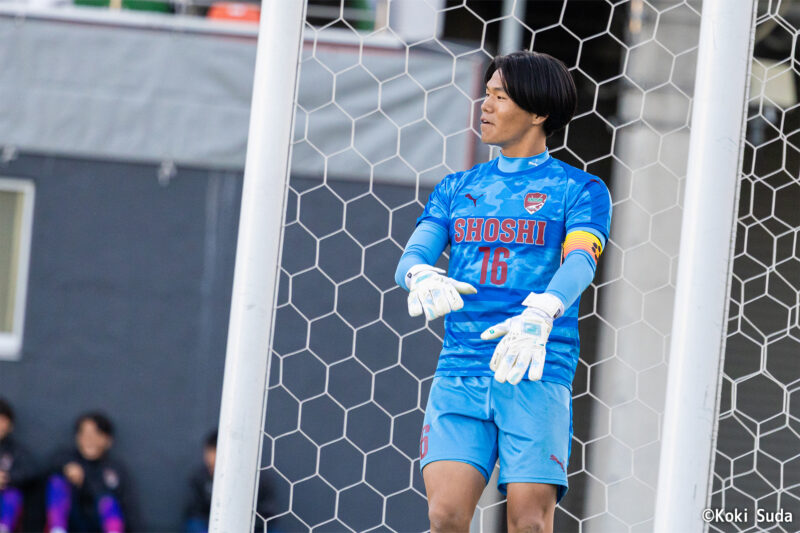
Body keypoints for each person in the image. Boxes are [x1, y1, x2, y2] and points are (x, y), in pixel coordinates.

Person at [395, 51, 612, 533]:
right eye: (487, 93)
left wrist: (544, 311)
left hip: (535, 365)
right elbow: (411, 258)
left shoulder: (580, 189)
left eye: (501, 97)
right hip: (461, 368)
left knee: (529, 522)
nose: (486, 105)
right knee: (445, 516)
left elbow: (581, 259)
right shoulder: (456, 188)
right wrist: (420, 276)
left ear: (539, 112)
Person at [45, 412, 133, 533]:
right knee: (57, 482)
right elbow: (47, 468)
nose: (90, 440)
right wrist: (66, 467)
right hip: (72, 521)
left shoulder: (115, 468)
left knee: (108, 501)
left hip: (98, 524)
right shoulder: (66, 457)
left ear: (108, 440)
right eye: (85, 434)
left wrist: (85, 481)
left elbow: (127, 506)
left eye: (97, 434)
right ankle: (58, 530)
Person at [182, 430, 277, 533]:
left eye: (218, 467)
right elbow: (193, 512)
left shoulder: (258, 478)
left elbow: (268, 513)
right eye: (211, 467)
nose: (215, 472)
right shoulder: (199, 478)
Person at [0, 398, 37, 533]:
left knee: (12, 494)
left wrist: (6, 478)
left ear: (10, 426)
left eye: (2, 420)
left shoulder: (16, 450)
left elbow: (30, 471)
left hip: (5, 500)